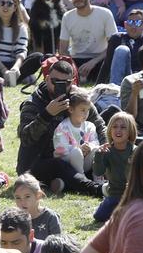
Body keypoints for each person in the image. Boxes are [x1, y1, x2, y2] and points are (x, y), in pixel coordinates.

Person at [15, 58, 105, 197]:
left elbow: (100, 126)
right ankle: (95, 189)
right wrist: (46, 115)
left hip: (75, 157)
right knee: (60, 165)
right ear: (46, 79)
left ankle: (63, 183)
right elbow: (26, 138)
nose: (60, 85)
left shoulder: (78, 99)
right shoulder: (34, 103)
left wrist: (104, 149)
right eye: (55, 81)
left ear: (73, 81)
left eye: (66, 82)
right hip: (39, 162)